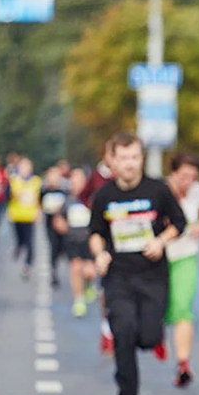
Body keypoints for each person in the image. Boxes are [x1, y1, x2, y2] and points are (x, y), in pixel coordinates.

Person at [88, 133, 186, 395]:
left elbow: (179, 223)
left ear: (141, 159)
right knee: (124, 332)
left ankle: (155, 334)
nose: (130, 164)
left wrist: (161, 241)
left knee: (147, 336)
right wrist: (100, 254)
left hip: (153, 276)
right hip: (119, 277)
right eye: (124, 158)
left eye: (134, 158)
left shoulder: (157, 190)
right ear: (113, 161)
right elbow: (95, 233)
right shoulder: (104, 196)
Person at [163, 151, 199, 387]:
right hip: (161, 256)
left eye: (193, 176)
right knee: (161, 308)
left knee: (182, 307)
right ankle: (156, 337)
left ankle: (183, 363)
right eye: (184, 175)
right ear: (173, 172)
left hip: (186, 254)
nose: (188, 181)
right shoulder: (161, 192)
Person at [82, 141, 117, 356]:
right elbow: (83, 195)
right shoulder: (97, 176)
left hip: (127, 238)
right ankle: (107, 330)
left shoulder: (129, 178)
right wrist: (94, 209)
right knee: (107, 284)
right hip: (102, 236)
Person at [55, 168, 98, 317]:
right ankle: (78, 301)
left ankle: (88, 284)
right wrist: (62, 226)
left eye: (79, 181)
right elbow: (59, 218)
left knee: (89, 270)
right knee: (75, 268)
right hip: (72, 240)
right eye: (73, 181)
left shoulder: (91, 199)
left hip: (89, 240)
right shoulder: (68, 200)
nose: (75, 184)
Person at [7, 157, 43, 280]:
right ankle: (18, 247)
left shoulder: (36, 181)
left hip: (29, 216)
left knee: (30, 242)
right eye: (23, 167)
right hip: (17, 215)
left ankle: (27, 265)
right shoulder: (14, 180)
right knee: (20, 240)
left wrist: (38, 211)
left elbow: (38, 198)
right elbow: (10, 195)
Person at [41, 165, 69, 288]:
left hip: (64, 225)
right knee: (53, 247)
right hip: (50, 224)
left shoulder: (64, 191)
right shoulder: (44, 190)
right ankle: (53, 273)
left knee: (63, 248)